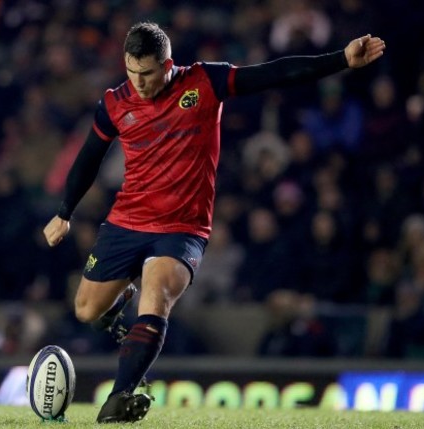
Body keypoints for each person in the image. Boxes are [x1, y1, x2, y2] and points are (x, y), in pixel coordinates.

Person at [43, 22, 385, 423]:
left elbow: (274, 72)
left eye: (148, 74)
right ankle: (121, 295)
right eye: (132, 73)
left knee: (156, 298)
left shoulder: (205, 81)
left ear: (168, 65)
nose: (139, 83)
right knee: (85, 310)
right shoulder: (115, 102)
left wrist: (341, 59)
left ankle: (119, 397)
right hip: (126, 221)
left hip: (181, 228)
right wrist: (64, 211)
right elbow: (89, 157)